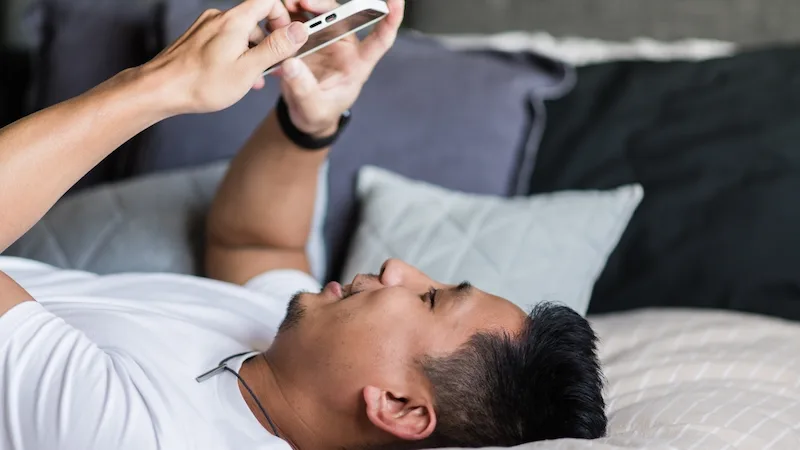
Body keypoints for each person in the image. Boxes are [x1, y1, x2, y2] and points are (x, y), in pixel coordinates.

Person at [0, 0, 607, 448]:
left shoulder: (141, 433)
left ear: (397, 406)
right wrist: (310, 119)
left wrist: (162, 85)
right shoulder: (287, 358)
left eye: (428, 298)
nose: (397, 267)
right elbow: (257, 242)